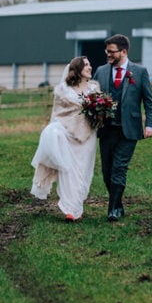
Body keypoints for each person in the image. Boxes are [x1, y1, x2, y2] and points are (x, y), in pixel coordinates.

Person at [91, 34, 152, 222]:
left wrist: (149, 124)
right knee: (107, 172)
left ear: (124, 52)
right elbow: (92, 98)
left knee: (119, 168)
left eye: (111, 52)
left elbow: (149, 102)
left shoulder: (140, 72)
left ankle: (113, 210)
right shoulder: (101, 71)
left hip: (129, 130)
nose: (108, 55)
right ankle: (118, 204)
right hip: (106, 130)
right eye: (107, 52)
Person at [30, 56, 99, 221]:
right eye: (86, 65)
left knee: (83, 170)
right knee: (68, 169)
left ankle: (77, 207)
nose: (90, 67)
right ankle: (70, 210)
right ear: (77, 69)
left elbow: (98, 112)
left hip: (87, 135)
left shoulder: (95, 88)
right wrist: (55, 132)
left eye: (90, 64)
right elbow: (58, 114)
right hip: (67, 134)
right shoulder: (63, 90)